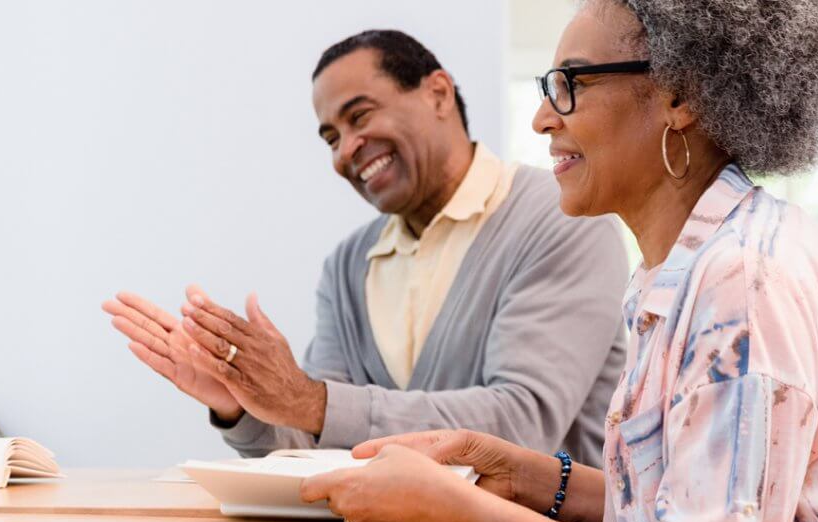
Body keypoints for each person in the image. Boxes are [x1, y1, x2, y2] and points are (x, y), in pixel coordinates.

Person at [297, 2, 818, 522]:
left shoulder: (743, 282)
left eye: (569, 84)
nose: (543, 118)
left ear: (680, 96)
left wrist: (452, 508)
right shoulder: (692, 264)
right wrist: (520, 474)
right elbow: (680, 505)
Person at [102, 30, 629, 466]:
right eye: (331, 138)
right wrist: (241, 406)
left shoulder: (564, 223)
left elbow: (522, 423)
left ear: (438, 94)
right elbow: (315, 439)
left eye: (359, 117)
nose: (346, 150)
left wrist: (310, 401)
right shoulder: (347, 266)